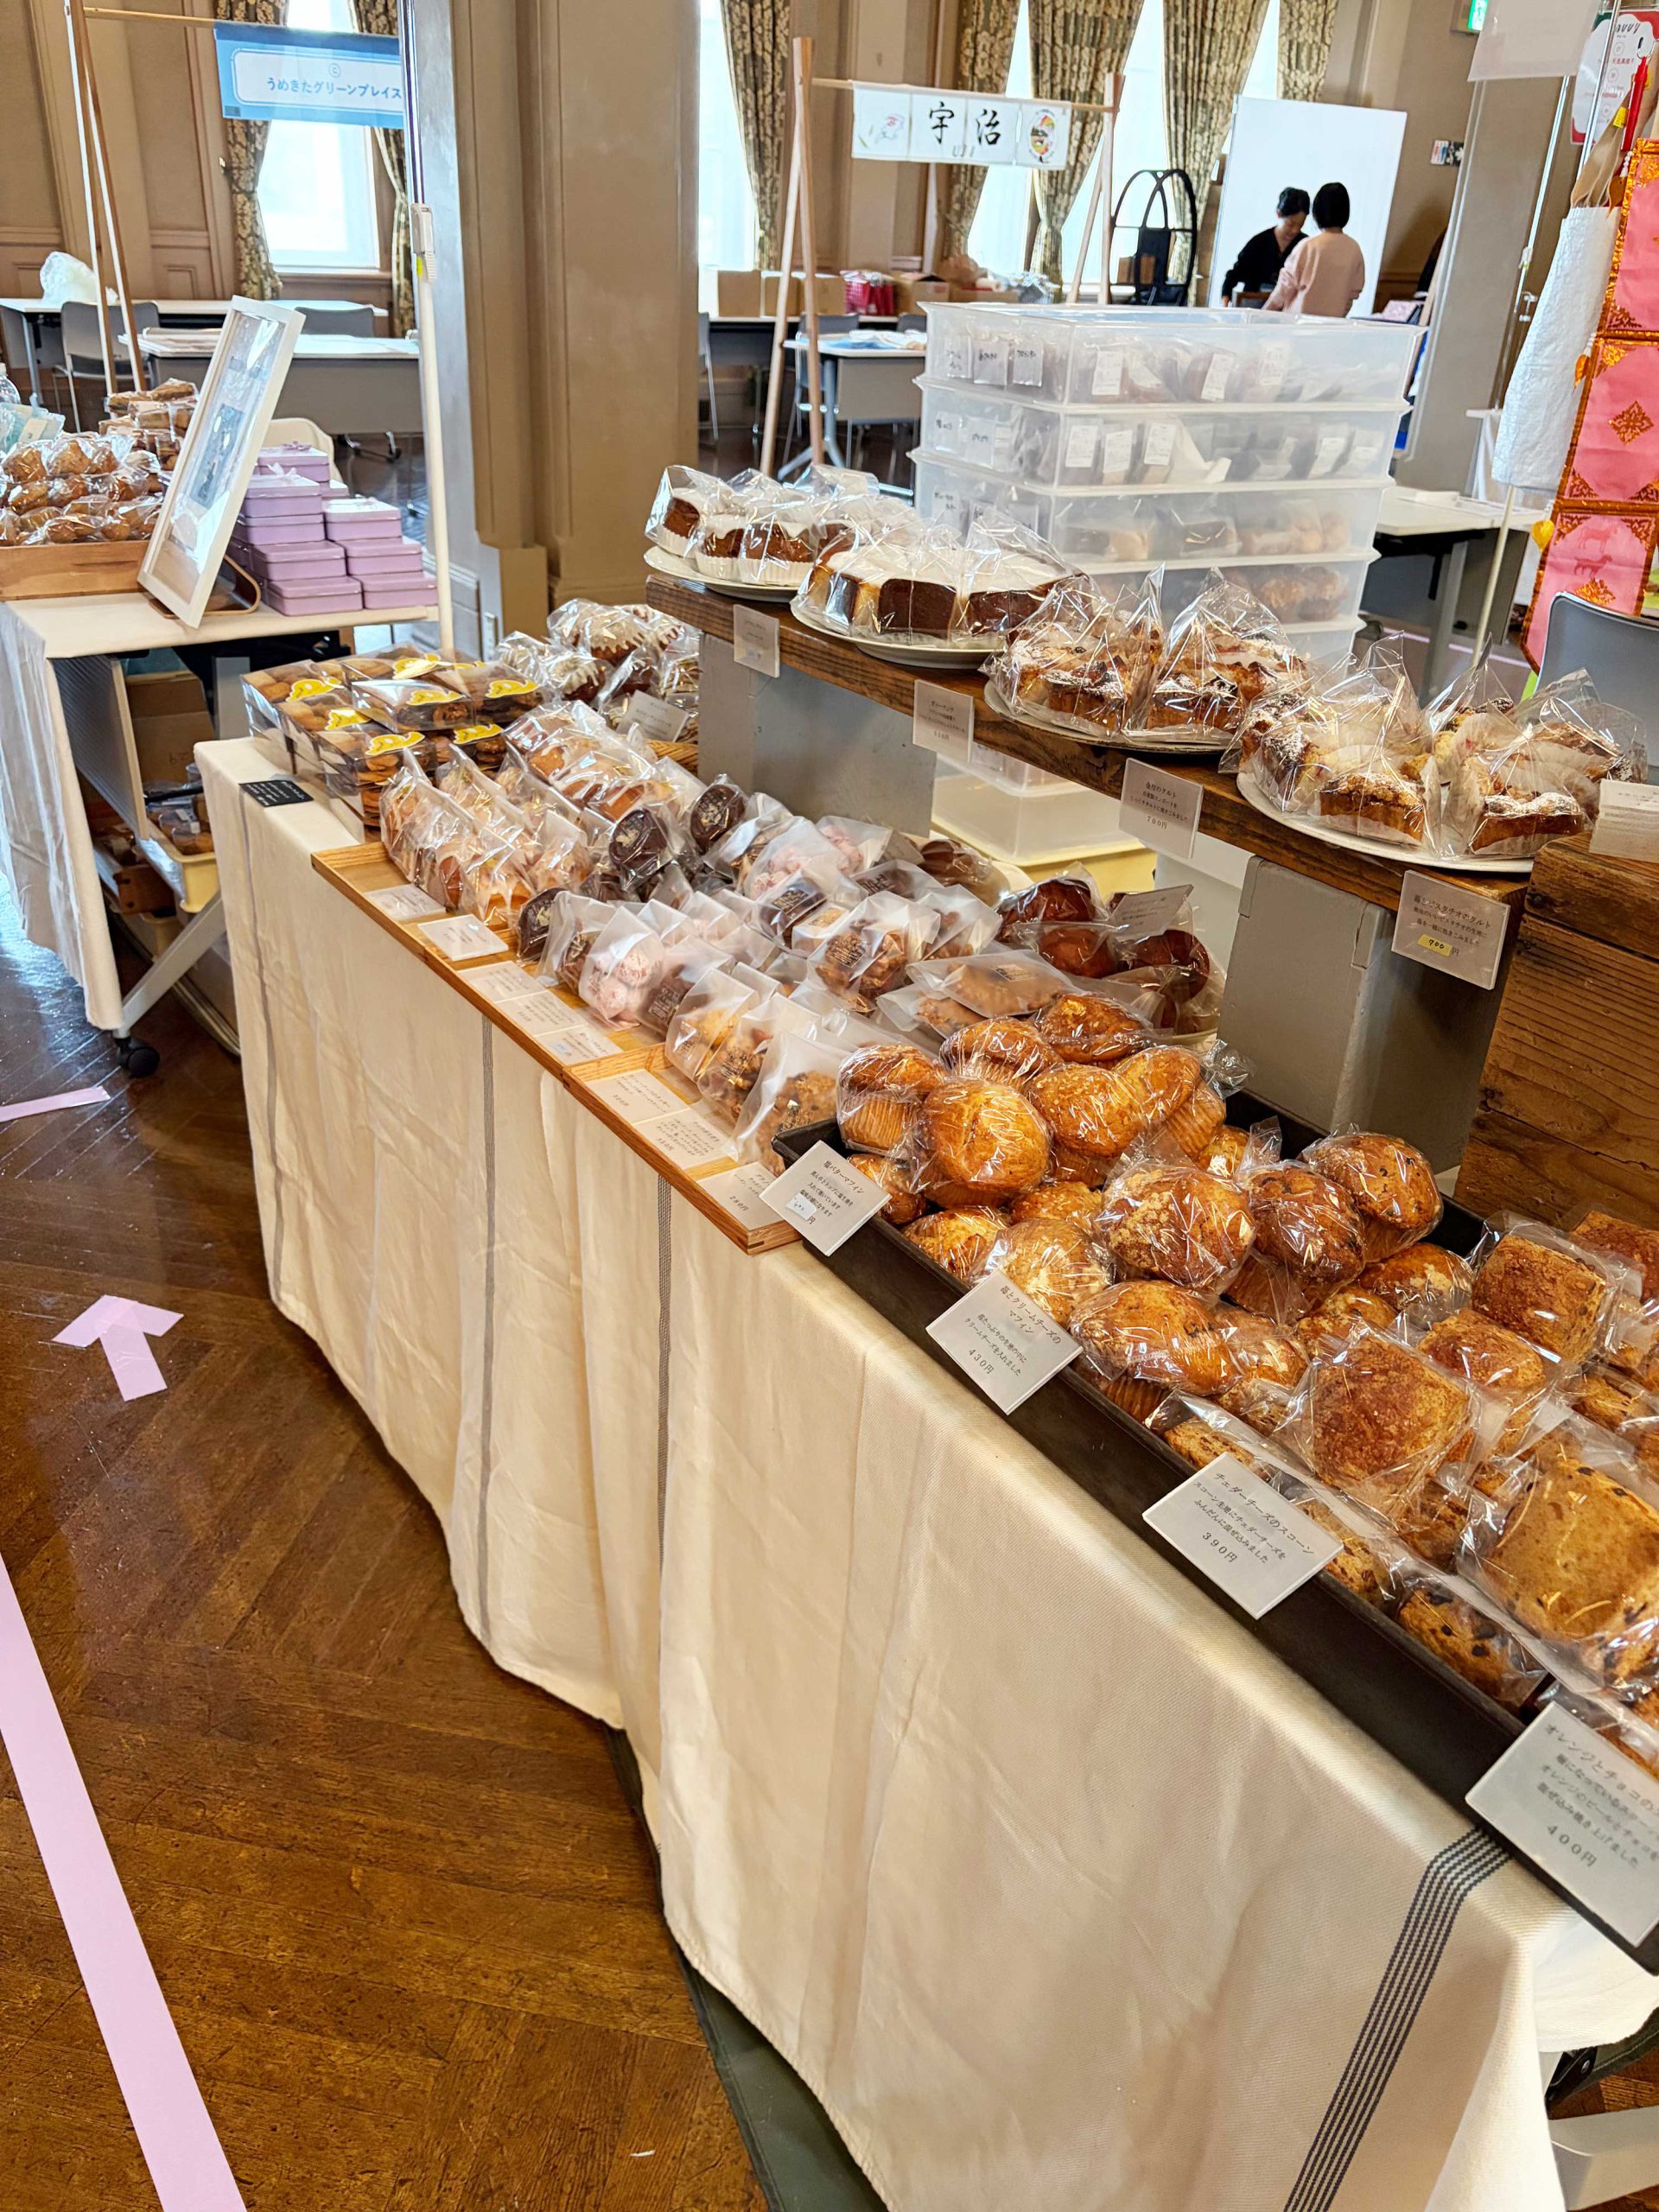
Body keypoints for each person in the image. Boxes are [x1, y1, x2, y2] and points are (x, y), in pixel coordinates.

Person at [1263, 181, 1364, 318]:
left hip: (1296, 325)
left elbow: (1283, 290)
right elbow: (1352, 294)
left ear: (1317, 211)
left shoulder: (1308, 246)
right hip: (1331, 326)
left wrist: (1261, 315)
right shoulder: (1354, 249)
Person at [1220, 188, 1309, 303]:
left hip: (1288, 307)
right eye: (1290, 224)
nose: (1295, 231)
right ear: (1279, 214)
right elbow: (1236, 273)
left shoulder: (1305, 245)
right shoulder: (1259, 242)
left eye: (1300, 225)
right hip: (1254, 304)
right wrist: (1225, 297)